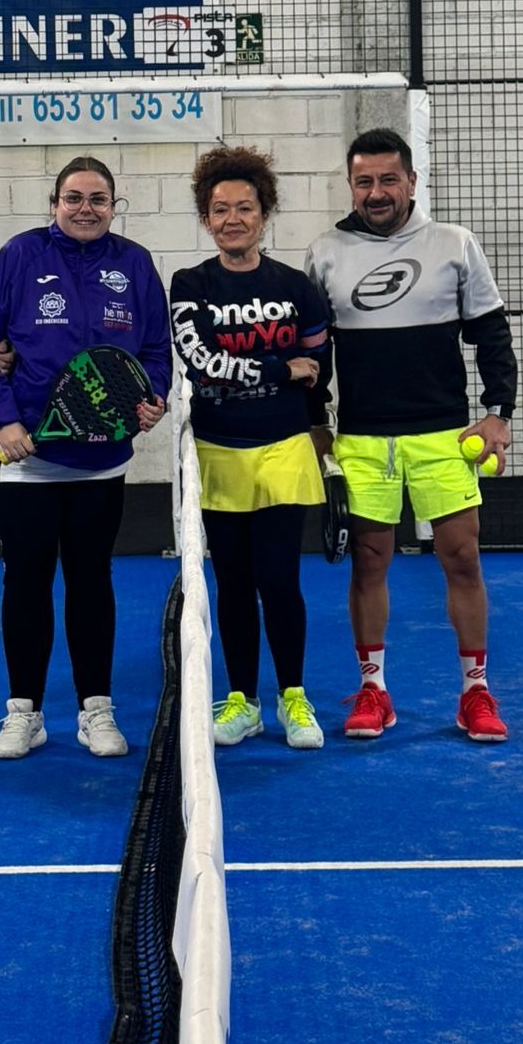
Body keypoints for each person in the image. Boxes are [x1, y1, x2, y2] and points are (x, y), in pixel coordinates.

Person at [306, 127, 516, 744]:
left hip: (442, 436)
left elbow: (492, 335)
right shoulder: (324, 252)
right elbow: (314, 356)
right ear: (351, 186)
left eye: (388, 179)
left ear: (411, 181)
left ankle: (475, 693)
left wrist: (498, 413)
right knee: (369, 563)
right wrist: (317, 424)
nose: (376, 192)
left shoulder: (455, 244)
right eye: (364, 181)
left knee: (463, 559)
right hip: (363, 439)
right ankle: (373, 689)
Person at [0, 155, 171, 762]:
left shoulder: (134, 263)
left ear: (114, 205)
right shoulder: (20, 256)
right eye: (74, 198)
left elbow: (155, 351)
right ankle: (23, 713)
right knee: (25, 583)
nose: (86, 209)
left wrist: (152, 398)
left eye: (98, 199)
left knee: (91, 581)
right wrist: (2, 420)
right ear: (54, 204)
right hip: (27, 461)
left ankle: (95, 710)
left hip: (102, 465)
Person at [170, 146, 331, 752]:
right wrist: (279, 370)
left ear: (265, 214)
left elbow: (319, 366)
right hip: (218, 451)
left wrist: (315, 415)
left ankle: (293, 695)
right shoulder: (190, 285)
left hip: (284, 449)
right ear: (205, 219)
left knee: (279, 579)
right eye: (220, 209)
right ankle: (243, 699)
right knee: (233, 583)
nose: (232, 219)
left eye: (245, 208)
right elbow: (203, 364)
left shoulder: (296, 288)